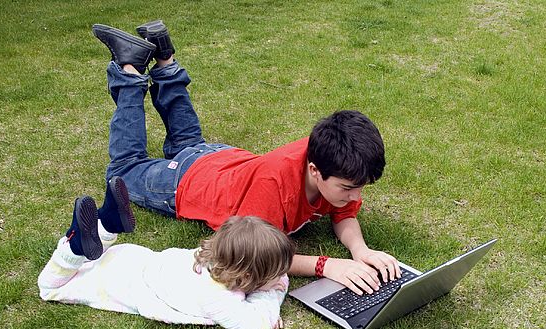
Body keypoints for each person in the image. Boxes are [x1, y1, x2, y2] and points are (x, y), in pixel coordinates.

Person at [91, 20, 402, 296]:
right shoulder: (272, 187)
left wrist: (360, 251)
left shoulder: (335, 158)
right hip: (187, 181)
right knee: (125, 168)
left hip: (222, 160)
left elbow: (344, 213)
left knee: (188, 142)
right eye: (348, 188)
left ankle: (164, 58)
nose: (355, 196)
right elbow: (257, 254)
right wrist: (327, 265)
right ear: (314, 170)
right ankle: (130, 70)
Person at [37, 186, 294, 329]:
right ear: (248, 277)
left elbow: (274, 278)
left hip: (131, 259)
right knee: (50, 287)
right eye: (275, 273)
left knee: (90, 260)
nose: (283, 276)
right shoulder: (217, 299)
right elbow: (259, 328)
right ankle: (74, 246)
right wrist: (269, 301)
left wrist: (269, 282)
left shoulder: (216, 258)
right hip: (116, 283)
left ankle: (106, 225)